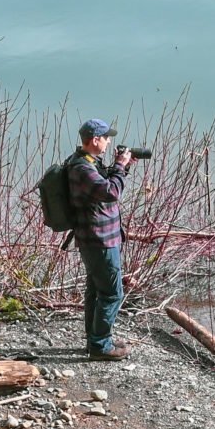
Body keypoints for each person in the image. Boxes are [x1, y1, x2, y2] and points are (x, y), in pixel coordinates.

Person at [65, 117, 140, 360]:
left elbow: (104, 182)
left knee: (96, 291)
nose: (109, 142)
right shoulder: (82, 168)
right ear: (95, 140)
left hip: (95, 239)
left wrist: (123, 168)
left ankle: (95, 339)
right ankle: (100, 346)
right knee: (111, 293)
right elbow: (111, 192)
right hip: (99, 240)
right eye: (106, 138)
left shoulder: (87, 162)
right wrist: (119, 165)